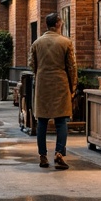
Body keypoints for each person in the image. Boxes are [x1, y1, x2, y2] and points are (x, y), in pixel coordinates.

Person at [28, 12, 78, 170]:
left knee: (42, 121)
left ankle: (42, 156)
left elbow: (32, 64)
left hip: (43, 84)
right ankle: (59, 154)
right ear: (58, 24)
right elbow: (72, 67)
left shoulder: (37, 43)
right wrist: (73, 87)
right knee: (61, 121)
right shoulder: (66, 42)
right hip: (60, 84)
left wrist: (40, 74)